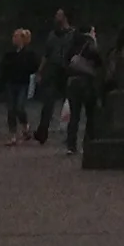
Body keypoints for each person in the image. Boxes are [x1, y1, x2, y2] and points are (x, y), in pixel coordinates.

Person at [34, 9, 74, 145]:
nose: (56, 17)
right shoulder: (52, 35)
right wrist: (40, 71)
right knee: (48, 101)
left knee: (70, 103)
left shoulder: (72, 35)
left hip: (67, 69)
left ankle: (70, 134)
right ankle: (42, 131)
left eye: (59, 14)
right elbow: (46, 54)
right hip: (53, 69)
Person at [63, 23, 103, 156]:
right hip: (86, 82)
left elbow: (66, 60)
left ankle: (71, 144)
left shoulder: (73, 44)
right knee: (90, 114)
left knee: (74, 115)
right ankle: (89, 142)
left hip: (72, 82)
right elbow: (98, 61)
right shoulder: (90, 44)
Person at [0, 27, 38, 143]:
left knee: (19, 107)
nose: (14, 39)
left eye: (16, 37)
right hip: (11, 83)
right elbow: (4, 67)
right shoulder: (9, 54)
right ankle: (13, 134)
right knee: (11, 109)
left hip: (22, 83)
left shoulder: (29, 54)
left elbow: (33, 67)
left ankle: (24, 124)